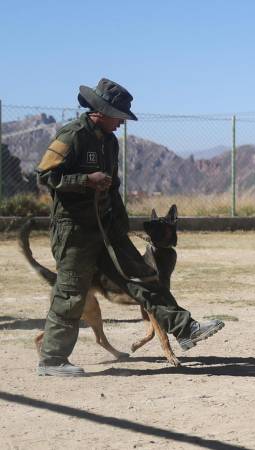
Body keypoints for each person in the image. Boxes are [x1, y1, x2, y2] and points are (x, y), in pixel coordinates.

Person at [35, 78, 225, 377]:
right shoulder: (72, 135)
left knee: (145, 276)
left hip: (108, 229)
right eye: (119, 117)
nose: (122, 124)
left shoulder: (110, 142)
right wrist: (85, 180)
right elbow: (45, 176)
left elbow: (114, 188)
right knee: (71, 292)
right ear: (100, 111)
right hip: (74, 231)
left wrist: (120, 225)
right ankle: (52, 360)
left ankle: (185, 329)